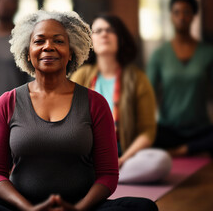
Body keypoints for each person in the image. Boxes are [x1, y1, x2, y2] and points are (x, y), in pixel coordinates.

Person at [0, 10, 158, 210]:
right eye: (39, 41)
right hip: (22, 206)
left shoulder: (95, 103)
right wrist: (28, 209)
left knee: (143, 206)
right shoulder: (7, 102)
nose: (48, 46)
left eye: (58, 41)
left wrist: (78, 209)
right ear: (28, 53)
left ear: (71, 53)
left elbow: (108, 174)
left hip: (82, 205)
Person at [70, 14, 171, 184]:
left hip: (124, 154)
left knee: (161, 161)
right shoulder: (81, 75)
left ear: (120, 39)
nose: (104, 34)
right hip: (87, 153)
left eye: (110, 30)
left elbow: (147, 131)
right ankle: (102, 176)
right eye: (98, 31)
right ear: (90, 40)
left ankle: (101, 176)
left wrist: (122, 160)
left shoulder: (137, 79)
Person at [147, 0, 213, 156]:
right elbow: (148, 93)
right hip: (168, 130)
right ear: (171, 16)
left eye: (186, 12)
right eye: (176, 12)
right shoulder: (159, 54)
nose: (181, 17)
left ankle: (182, 150)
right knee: (144, 137)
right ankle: (189, 149)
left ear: (193, 16)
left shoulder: (208, 53)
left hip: (201, 129)